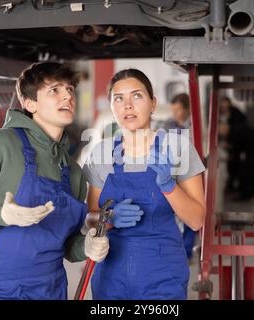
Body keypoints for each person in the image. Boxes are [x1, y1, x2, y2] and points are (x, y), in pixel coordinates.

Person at [0, 62, 109, 300]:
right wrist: (1, 215)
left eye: (70, 89)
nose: (67, 96)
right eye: (54, 90)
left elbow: (66, 243)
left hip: (51, 287)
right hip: (0, 287)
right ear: (30, 104)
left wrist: (86, 247)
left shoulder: (72, 171)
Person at [83, 69, 206, 300]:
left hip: (163, 276)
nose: (128, 105)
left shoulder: (178, 148)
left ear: (153, 103)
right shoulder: (100, 153)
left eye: (137, 96)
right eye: (118, 98)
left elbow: (196, 219)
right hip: (111, 277)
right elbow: (88, 219)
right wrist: (106, 218)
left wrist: (169, 185)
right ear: (112, 107)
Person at [164, 93, 197, 260]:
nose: (175, 114)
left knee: (191, 211)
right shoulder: (168, 125)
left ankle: (187, 251)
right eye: (173, 110)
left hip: (191, 175)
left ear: (186, 109)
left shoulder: (195, 126)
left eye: (178, 110)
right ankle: (177, 249)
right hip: (174, 173)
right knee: (175, 211)